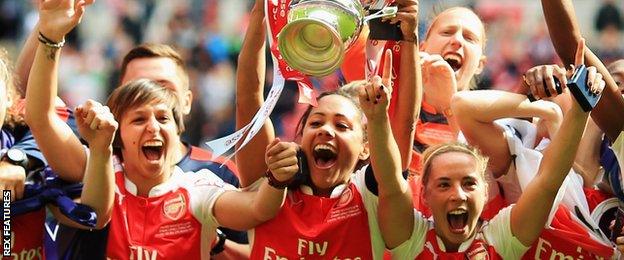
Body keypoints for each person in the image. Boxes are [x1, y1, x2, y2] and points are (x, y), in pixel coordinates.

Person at [25, 1, 294, 259]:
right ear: (117, 114)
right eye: (138, 111)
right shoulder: (97, 161)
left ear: (183, 108)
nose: (152, 122)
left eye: (162, 105)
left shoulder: (206, 181)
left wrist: (274, 182)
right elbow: (40, 116)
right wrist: (50, 35)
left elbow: (260, 219)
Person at [234, 0, 420, 258]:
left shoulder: (371, 200)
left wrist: (409, 40)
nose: (326, 131)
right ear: (300, 138)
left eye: (342, 125)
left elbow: (405, 127)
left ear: (367, 148)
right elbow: (248, 100)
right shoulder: (271, 184)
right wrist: (261, 13)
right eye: (316, 122)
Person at [390, 41, 606, 257]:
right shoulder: (413, 240)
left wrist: (574, 107)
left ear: (485, 190)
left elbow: (549, 180)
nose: (458, 194)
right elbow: (391, 175)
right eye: (444, 184)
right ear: (424, 194)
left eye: (469, 183)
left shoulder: (497, 239)